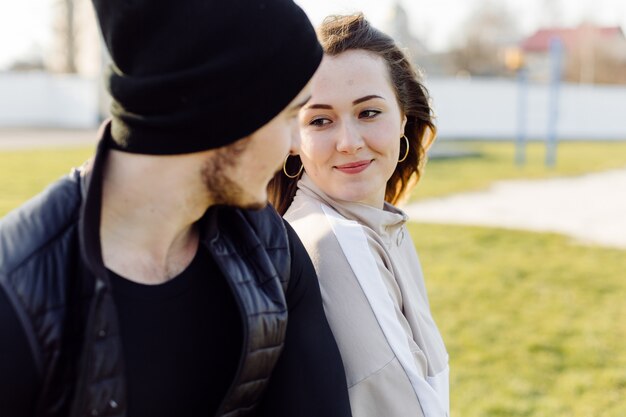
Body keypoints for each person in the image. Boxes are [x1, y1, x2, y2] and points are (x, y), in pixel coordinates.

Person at [0, 1, 353, 416]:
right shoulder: (18, 297)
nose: (297, 145)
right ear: (224, 112)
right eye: (290, 116)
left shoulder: (271, 252)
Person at [269, 13, 449, 417]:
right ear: (293, 138)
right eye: (320, 120)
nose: (349, 142)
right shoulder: (332, 241)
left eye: (368, 113)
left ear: (403, 117)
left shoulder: (386, 227)